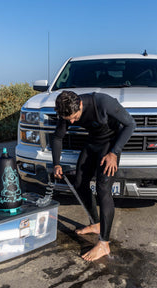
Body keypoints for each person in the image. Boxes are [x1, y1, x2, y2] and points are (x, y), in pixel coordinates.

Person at [52, 91, 136, 261]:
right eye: (69, 120)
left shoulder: (103, 102)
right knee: (80, 184)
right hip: (93, 143)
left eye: (75, 117)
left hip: (111, 145)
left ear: (81, 105)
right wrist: (56, 163)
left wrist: (114, 153)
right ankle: (96, 224)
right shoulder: (67, 110)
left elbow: (131, 124)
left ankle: (104, 244)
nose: (73, 122)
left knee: (103, 188)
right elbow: (58, 137)